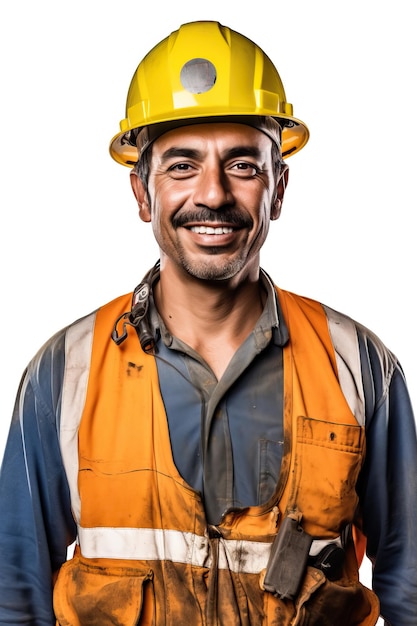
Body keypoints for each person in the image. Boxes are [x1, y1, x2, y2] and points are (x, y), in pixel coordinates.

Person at [0, 20, 416, 626]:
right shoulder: (67, 373)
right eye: (182, 166)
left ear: (278, 189)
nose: (213, 194)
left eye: (243, 165)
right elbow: (17, 591)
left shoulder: (358, 366)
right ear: (142, 192)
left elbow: (410, 581)